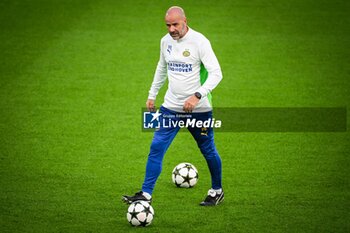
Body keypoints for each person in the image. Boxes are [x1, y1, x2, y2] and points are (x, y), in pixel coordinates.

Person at [122, 6, 224, 206]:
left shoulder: (199, 42)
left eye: (175, 24)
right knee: (156, 146)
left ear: (185, 20)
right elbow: (162, 67)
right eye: (168, 25)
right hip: (171, 107)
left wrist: (197, 96)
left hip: (199, 109)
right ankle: (146, 193)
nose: (171, 29)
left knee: (208, 149)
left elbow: (217, 73)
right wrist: (152, 94)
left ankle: (216, 190)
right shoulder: (165, 41)